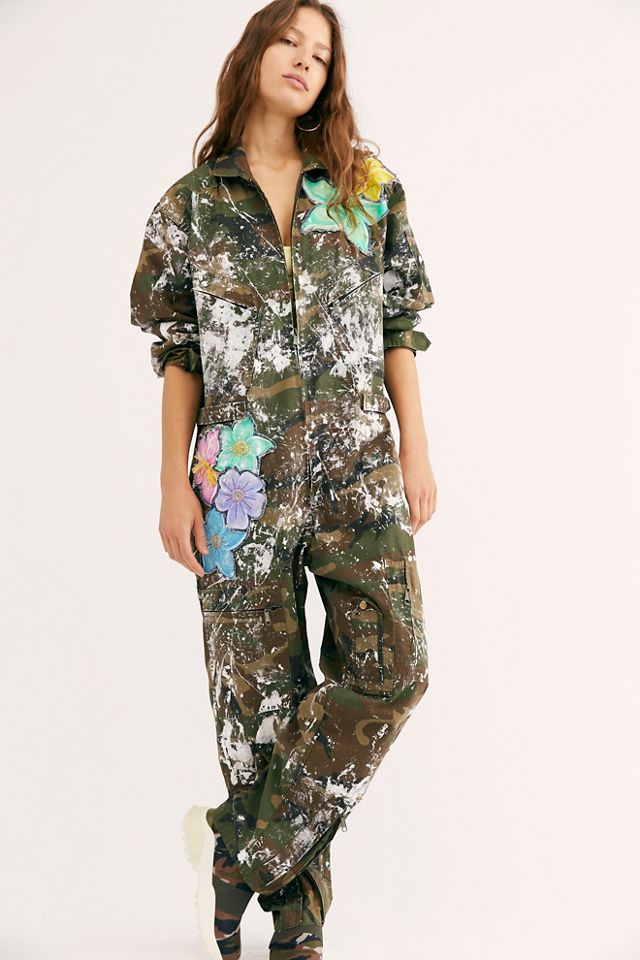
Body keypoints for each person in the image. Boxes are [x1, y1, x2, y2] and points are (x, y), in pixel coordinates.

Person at [129, 1, 438, 957]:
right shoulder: (189, 206)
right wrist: (172, 484)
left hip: (358, 473)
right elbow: (178, 350)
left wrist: (416, 448)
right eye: (290, 42)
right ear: (255, 52)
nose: (306, 60)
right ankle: (296, 932)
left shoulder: (365, 188)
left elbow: (398, 324)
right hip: (238, 487)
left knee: (394, 672)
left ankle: (237, 852)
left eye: (322, 53)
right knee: (261, 708)